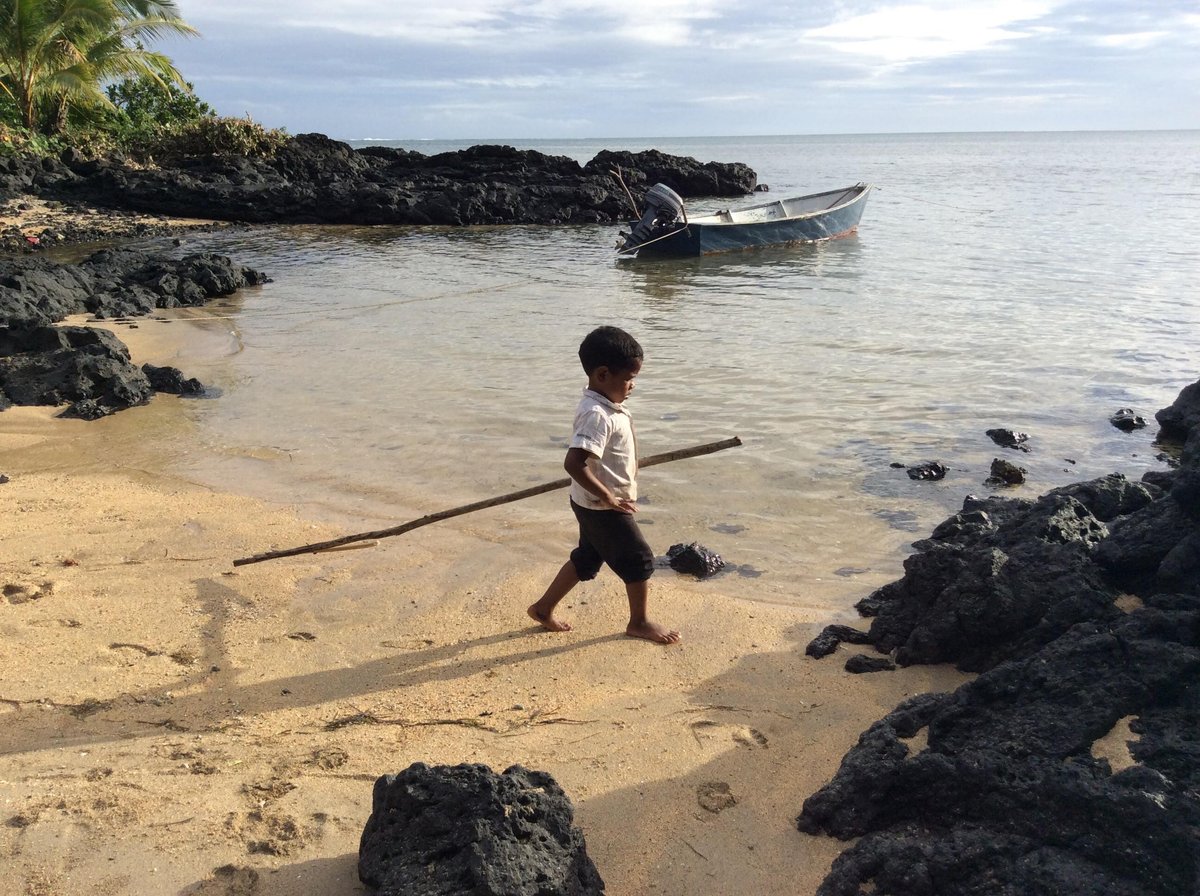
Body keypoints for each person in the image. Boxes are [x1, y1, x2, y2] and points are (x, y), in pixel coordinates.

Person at [527, 326, 681, 645]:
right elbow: (574, 463)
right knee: (639, 559)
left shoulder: (605, 407)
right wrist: (609, 496)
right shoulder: (597, 415)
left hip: (589, 501)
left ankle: (543, 608)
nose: (632, 385)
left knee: (587, 557)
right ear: (602, 374)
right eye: (628, 378)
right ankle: (639, 621)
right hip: (603, 506)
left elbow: (602, 455)